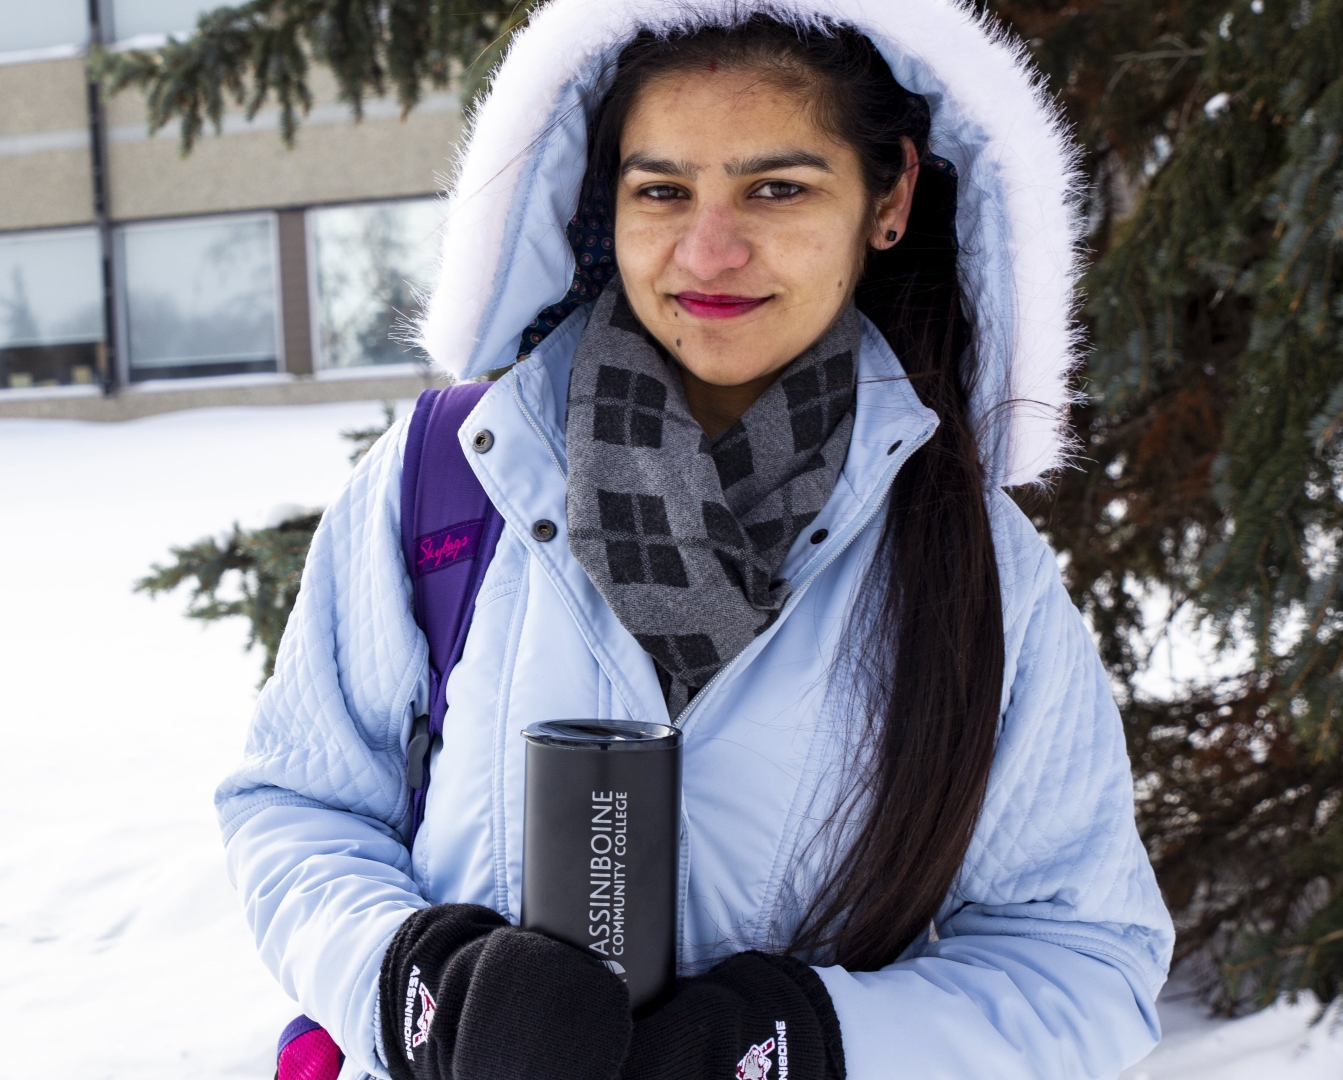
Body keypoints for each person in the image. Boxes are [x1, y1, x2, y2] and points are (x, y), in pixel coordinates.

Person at [218, 2, 1174, 1078]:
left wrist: (800, 1044)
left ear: (891, 196)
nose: (708, 250)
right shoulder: (448, 478)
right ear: (603, 198)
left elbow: (1083, 959)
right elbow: (299, 808)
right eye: (661, 190)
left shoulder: (974, 566)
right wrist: (416, 989)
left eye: (778, 187)